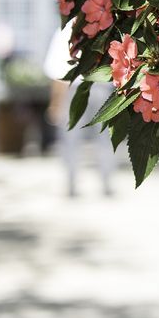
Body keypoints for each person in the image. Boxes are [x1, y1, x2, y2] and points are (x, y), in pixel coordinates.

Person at [44, 25, 116, 197]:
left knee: (71, 138)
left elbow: (58, 70)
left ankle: (72, 184)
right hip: (101, 86)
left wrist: (55, 104)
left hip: (74, 89)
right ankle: (106, 182)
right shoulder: (102, 25)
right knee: (104, 136)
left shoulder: (65, 30)